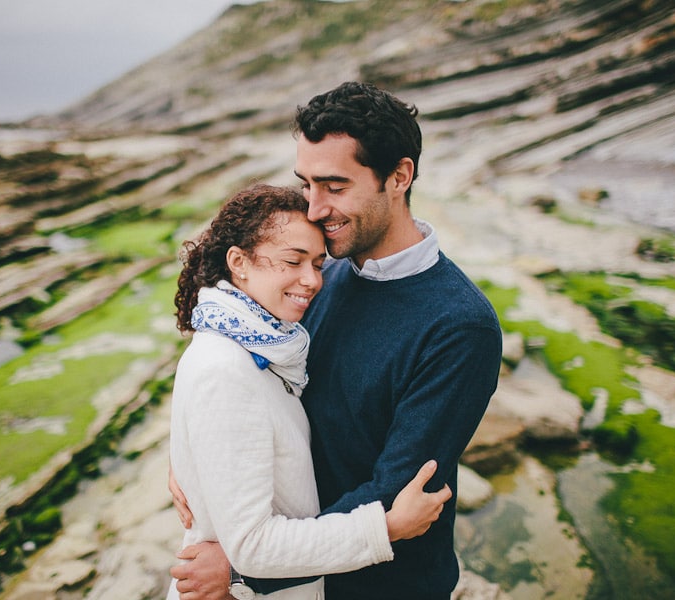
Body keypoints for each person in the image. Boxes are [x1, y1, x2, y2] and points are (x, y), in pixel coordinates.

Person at [170, 82, 502, 600]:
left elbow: (396, 494)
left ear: (399, 176)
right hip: (299, 574)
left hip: (381, 584)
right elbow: (244, 376)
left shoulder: (459, 325)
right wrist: (200, 460)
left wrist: (239, 566)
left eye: (334, 186)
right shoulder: (322, 275)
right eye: (306, 184)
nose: (315, 209)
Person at [168, 183, 454, 600]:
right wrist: (386, 527)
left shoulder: (267, 342)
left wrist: (191, 457)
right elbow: (253, 548)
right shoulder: (226, 367)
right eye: (293, 260)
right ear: (238, 262)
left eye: (318, 263)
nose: (312, 281)